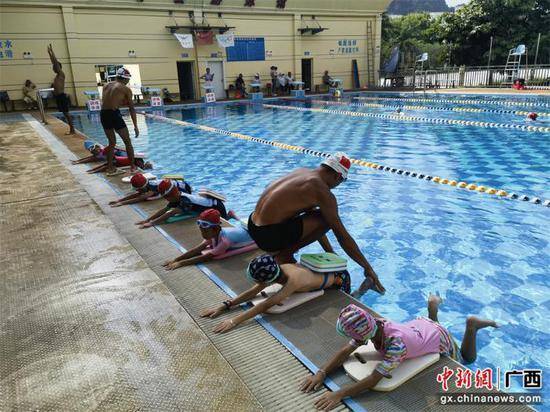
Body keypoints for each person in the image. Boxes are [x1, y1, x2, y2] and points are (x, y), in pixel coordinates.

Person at [300, 297, 499, 411]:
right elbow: (346, 350)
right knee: (429, 329)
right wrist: (322, 372)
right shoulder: (375, 323)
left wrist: (340, 394)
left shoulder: (396, 345)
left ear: (362, 335)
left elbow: (374, 379)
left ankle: (471, 326)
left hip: (439, 337)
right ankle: (432, 308)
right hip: (420, 326)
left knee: (467, 360)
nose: (351, 341)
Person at [247, 152, 385, 294]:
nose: (338, 185)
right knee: (328, 219)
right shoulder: (322, 191)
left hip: (253, 226)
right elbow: (341, 234)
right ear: (337, 176)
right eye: (342, 181)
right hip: (268, 236)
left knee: (322, 217)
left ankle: (283, 253)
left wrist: (331, 254)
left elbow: (313, 225)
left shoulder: (302, 172)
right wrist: (367, 267)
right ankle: (284, 255)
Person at [200, 254, 351, 333]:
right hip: (322, 276)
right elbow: (253, 291)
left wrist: (234, 321)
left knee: (348, 300)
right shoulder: (279, 270)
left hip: (339, 278)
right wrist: (225, 305)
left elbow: (266, 304)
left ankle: (366, 286)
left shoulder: (293, 281)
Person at [163, 209, 256, 270]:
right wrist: (175, 259)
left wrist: (181, 263)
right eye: (201, 231)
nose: (203, 234)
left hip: (253, 233)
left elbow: (205, 257)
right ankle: (234, 216)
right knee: (242, 224)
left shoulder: (224, 241)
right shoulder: (213, 234)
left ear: (216, 229)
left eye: (205, 231)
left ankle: (234, 216)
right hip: (241, 228)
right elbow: (196, 250)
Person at [136, 179, 228, 228]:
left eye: (166, 198)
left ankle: (230, 215)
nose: (166, 200)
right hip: (207, 205)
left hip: (216, 206)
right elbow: (164, 210)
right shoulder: (176, 198)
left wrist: (152, 223)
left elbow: (171, 213)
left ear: (171, 196)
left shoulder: (185, 200)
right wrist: (147, 220)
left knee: (222, 222)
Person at [100, 67, 139, 176]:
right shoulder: (125, 89)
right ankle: (132, 167)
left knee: (111, 143)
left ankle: (110, 168)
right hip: (114, 114)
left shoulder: (106, 85)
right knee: (127, 142)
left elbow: (109, 101)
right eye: (128, 79)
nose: (128, 82)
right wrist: (135, 126)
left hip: (103, 114)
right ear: (125, 79)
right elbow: (131, 108)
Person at [109, 174, 192, 207]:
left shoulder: (152, 187)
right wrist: (119, 200)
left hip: (185, 188)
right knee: (147, 197)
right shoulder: (147, 185)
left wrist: (122, 203)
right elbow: (136, 194)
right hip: (176, 184)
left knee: (147, 198)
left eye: (139, 189)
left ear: (143, 186)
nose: (138, 190)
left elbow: (139, 198)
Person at [47, 44, 75, 134]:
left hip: (61, 96)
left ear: (57, 67)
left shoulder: (61, 74)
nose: (53, 68)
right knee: (64, 113)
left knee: (66, 113)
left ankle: (72, 130)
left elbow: (55, 62)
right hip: (58, 97)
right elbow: (54, 62)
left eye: (54, 67)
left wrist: (51, 52)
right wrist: (49, 53)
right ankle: (71, 129)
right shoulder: (57, 76)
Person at [86, 156, 152, 174]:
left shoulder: (138, 161)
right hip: (118, 161)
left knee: (105, 165)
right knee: (106, 166)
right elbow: (136, 169)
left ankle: (93, 170)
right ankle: (94, 171)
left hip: (118, 159)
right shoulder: (138, 162)